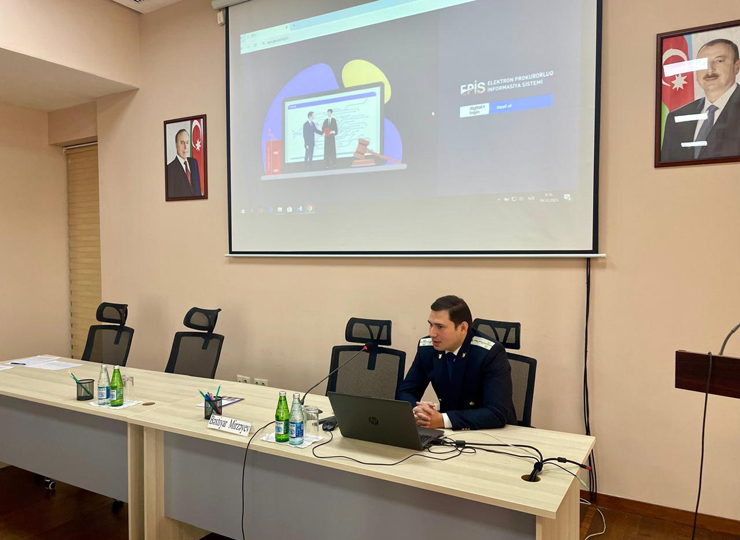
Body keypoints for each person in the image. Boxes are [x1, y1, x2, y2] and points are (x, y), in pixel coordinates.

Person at [396, 295, 517, 430]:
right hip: (450, 433)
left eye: (440, 327)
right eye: (430, 324)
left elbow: (496, 413)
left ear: (463, 328)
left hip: (493, 432)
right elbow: (405, 393)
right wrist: (419, 412)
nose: (432, 333)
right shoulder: (427, 348)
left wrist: (443, 420)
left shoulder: (490, 353)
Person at [661, 38, 740, 162]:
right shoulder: (676, 117)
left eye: (719, 61)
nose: (710, 70)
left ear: (737, 66)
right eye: (702, 63)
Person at [166, 129, 202, 198]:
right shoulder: (170, 169)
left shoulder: (194, 163)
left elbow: (198, 192)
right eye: (182, 143)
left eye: (187, 142)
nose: (185, 147)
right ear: (176, 145)